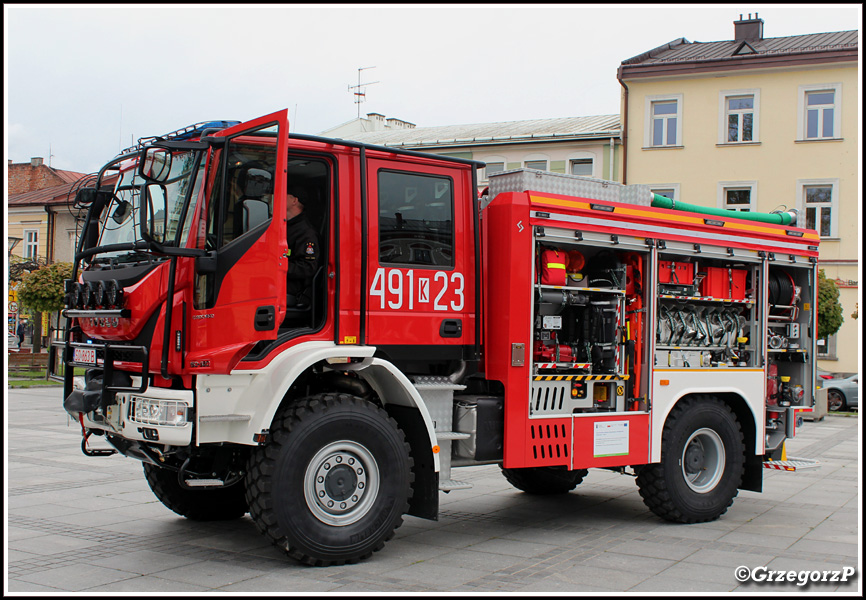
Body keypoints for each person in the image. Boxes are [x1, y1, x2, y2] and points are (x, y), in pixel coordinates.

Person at [284, 186, 319, 308]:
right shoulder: (285, 226)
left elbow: (308, 267)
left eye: (284, 193)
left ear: (294, 200)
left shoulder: (306, 232)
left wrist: (278, 266)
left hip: (292, 288)